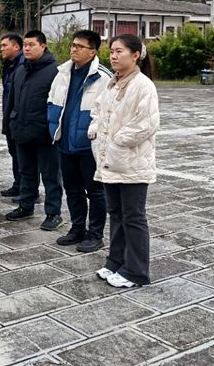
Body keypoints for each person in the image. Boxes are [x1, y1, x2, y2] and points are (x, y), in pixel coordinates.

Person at [89, 34, 159, 288]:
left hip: (132, 162)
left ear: (136, 55)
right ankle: (116, 261)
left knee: (133, 217)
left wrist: (118, 140)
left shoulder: (143, 85)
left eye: (119, 51)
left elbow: (147, 123)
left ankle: (136, 271)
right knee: (116, 213)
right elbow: (98, 110)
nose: (114, 56)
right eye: (111, 52)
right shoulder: (112, 83)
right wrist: (95, 129)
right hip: (110, 161)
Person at [47, 30, 112, 252]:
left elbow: (108, 113)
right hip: (65, 143)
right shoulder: (62, 73)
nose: (74, 49)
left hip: (89, 146)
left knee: (95, 192)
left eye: (80, 46)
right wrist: (53, 128)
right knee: (72, 190)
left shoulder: (103, 78)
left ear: (92, 52)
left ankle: (95, 234)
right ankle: (77, 229)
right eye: (73, 45)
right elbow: (51, 101)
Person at [4, 30, 63, 230]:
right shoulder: (21, 69)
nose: (27, 48)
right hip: (22, 130)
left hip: (45, 134)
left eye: (32, 45)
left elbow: (59, 105)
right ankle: (25, 206)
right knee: (26, 172)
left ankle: (53, 213)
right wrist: (9, 125)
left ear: (43, 46)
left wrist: (53, 130)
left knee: (51, 176)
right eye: (25, 45)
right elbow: (11, 101)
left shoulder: (55, 72)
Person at [0, 33, 25, 198]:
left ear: (16, 47)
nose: (1, 49)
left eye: (4, 45)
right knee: (14, 152)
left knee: (23, 155)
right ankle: (18, 184)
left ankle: (27, 189)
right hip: (9, 115)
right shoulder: (9, 65)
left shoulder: (23, 66)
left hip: (18, 117)